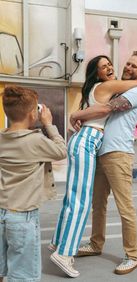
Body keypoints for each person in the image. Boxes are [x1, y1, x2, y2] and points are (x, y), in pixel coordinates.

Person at [49, 55, 137, 278]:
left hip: (118, 153)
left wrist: (76, 114)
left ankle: (132, 255)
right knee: (97, 203)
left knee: (125, 206)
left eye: (135, 66)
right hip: (99, 150)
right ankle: (96, 243)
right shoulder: (117, 88)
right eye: (128, 63)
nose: (128, 67)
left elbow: (107, 108)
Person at [0, 86, 67, 282]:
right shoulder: (35, 140)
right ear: (32, 113)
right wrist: (48, 124)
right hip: (23, 216)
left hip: (1, 210)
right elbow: (61, 150)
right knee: (23, 275)